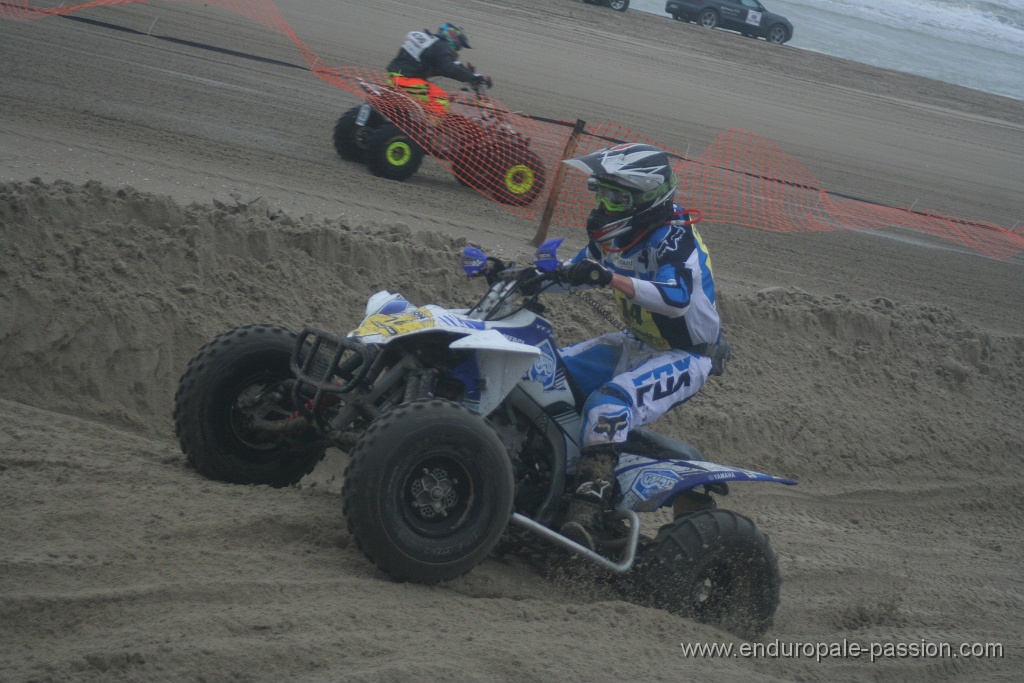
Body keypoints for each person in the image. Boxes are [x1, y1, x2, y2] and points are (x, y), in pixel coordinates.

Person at [554, 143, 730, 550]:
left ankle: (587, 510)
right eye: (600, 193)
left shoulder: (675, 238)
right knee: (550, 373)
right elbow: (573, 274)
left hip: (687, 355)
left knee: (609, 404)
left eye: (615, 197)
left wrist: (610, 279)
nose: (604, 204)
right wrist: (521, 274)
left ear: (646, 198)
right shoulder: (616, 239)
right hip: (637, 342)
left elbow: (675, 297)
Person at [385, 23, 493, 117]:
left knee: (433, 94)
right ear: (453, 38)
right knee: (441, 100)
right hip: (405, 80)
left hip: (397, 76)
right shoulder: (441, 46)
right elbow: (450, 68)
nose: (458, 49)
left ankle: (421, 121)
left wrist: (470, 76)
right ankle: (428, 133)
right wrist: (473, 77)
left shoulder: (432, 43)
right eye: (459, 46)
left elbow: (450, 67)